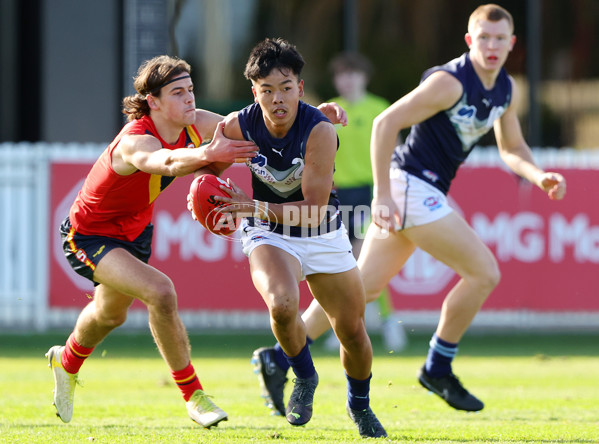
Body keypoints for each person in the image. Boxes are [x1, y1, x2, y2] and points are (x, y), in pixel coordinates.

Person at [249, 3, 567, 415]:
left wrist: (538, 175)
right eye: (483, 38)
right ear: (470, 41)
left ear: (512, 44)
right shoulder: (451, 83)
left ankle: (276, 359)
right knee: (484, 272)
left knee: (358, 294)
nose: (491, 46)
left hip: (414, 192)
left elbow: (513, 148)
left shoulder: (504, 88)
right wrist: (383, 195)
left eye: (499, 39)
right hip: (410, 189)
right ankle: (438, 365)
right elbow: (385, 124)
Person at [45, 55, 260, 428]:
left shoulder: (195, 123)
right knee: (161, 291)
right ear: (153, 102)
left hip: (135, 231)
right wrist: (209, 154)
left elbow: (254, 123)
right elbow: (167, 162)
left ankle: (65, 362)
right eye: (178, 92)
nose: (190, 99)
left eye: (191, 89)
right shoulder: (134, 140)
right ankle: (194, 396)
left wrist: (306, 117)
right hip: (90, 234)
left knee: (111, 314)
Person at [194, 38, 387, 438]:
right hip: (267, 232)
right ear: (255, 93)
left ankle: (359, 405)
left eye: (285, 88)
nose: (277, 98)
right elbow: (207, 168)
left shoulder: (318, 129)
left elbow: (315, 208)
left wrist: (253, 207)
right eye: (267, 90)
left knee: (352, 331)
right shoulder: (237, 125)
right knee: (282, 304)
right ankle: (303, 376)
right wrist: (201, 191)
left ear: (300, 88)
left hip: (321, 231)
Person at [324, 51, 407, 352]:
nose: (346, 80)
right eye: (341, 74)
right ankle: (344, 324)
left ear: (364, 77)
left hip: (370, 192)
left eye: (352, 74)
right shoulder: (330, 111)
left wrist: (389, 191)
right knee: (339, 263)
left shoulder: (379, 108)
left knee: (362, 261)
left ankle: (384, 321)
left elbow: (395, 150)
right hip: (336, 196)